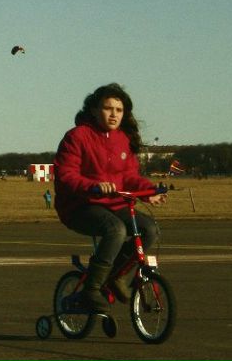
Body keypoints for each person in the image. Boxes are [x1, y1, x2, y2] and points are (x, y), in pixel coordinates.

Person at [54, 83, 165, 313]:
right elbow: (66, 175)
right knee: (116, 230)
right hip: (80, 205)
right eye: (108, 108)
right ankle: (91, 290)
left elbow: (129, 177)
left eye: (119, 110)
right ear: (94, 110)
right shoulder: (77, 136)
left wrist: (150, 191)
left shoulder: (122, 139)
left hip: (114, 204)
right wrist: (93, 186)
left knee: (150, 229)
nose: (114, 114)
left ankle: (117, 275)